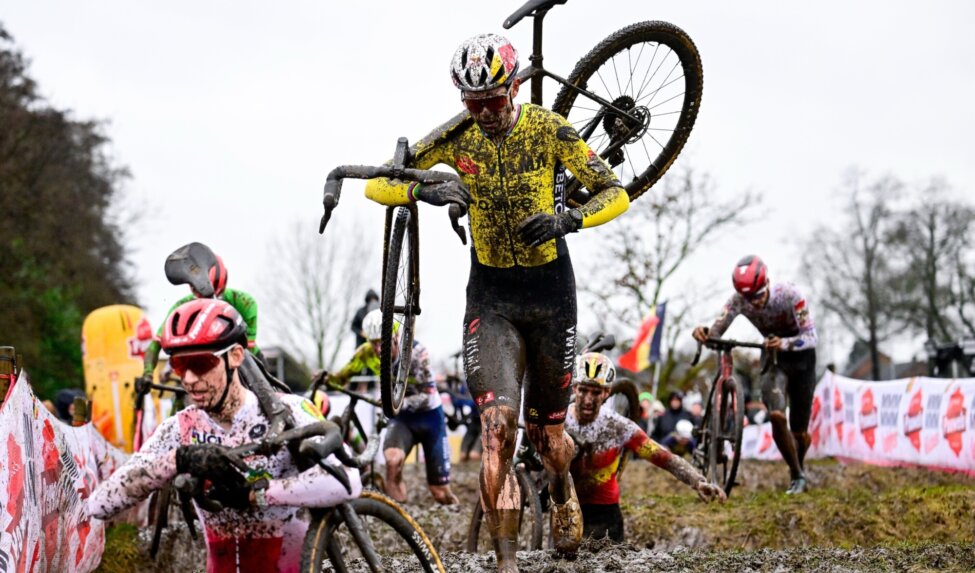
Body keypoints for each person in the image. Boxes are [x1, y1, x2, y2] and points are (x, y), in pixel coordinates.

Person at [361, 33, 630, 571]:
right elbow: (377, 184)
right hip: (492, 296)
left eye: (494, 100)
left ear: (514, 88)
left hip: (553, 295)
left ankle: (559, 490)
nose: (484, 112)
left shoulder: (548, 130)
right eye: (473, 101)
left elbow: (614, 191)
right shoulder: (457, 136)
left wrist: (570, 219)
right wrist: (425, 189)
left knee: (550, 437)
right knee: (496, 431)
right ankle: (506, 564)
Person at [88, 299, 361, 571]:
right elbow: (101, 504)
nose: (190, 379)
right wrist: (177, 459)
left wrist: (259, 495)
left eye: (201, 363)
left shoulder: (288, 411)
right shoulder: (179, 429)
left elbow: (349, 479)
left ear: (236, 356)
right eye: (180, 365)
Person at [693, 255, 818, 494]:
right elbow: (718, 329)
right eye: (750, 299)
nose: (756, 303)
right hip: (773, 359)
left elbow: (812, 337)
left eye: (759, 295)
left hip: (802, 359)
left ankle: (798, 466)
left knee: (800, 432)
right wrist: (705, 333)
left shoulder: (791, 295)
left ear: (768, 282)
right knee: (777, 415)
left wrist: (784, 343)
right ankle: (797, 474)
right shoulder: (738, 301)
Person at [567, 353, 725, 542]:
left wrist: (697, 481)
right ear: (574, 388)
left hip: (605, 515)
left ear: (607, 393)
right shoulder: (558, 422)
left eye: (596, 392)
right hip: (566, 511)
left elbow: (663, 457)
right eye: (583, 390)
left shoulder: (619, 426)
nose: (588, 399)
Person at [325, 309, 459, 505]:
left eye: (384, 341)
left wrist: (397, 402)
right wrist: (325, 378)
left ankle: (456, 510)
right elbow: (341, 378)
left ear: (395, 335)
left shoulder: (417, 354)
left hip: (429, 417)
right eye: (374, 343)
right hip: (402, 419)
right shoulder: (366, 353)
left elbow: (428, 395)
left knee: (439, 492)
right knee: (392, 461)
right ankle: (399, 515)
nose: (379, 349)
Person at [143, 249, 262, 378]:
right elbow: (156, 343)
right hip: (197, 361)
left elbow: (247, 349)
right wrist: (147, 373)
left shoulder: (245, 302)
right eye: (203, 300)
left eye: (217, 297)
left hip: (239, 357)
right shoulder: (181, 307)